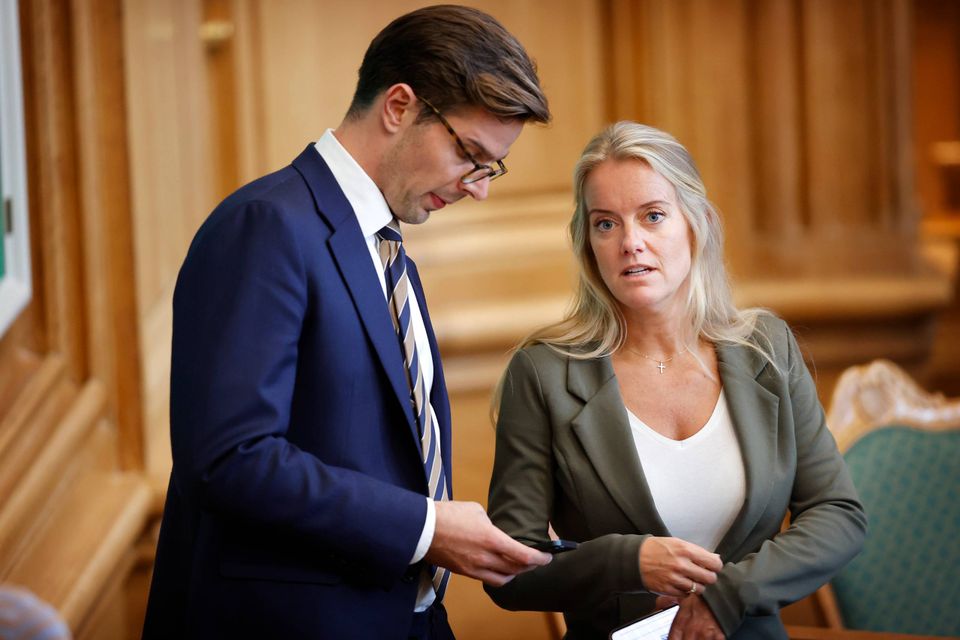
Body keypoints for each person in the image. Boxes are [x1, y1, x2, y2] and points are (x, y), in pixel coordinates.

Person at [141, 6, 553, 639]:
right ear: (399, 107)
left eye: (490, 166)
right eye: (470, 154)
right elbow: (231, 458)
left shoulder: (382, 243)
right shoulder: (265, 226)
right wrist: (426, 529)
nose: (479, 189)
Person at [485, 122, 867, 639]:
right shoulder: (543, 373)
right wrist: (627, 562)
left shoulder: (766, 348)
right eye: (606, 224)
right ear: (588, 243)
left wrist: (730, 594)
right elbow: (509, 572)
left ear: (696, 224)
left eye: (653, 216)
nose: (630, 243)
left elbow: (837, 513)